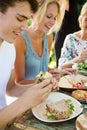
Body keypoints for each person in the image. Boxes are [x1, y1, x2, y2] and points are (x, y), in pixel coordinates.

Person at [0, 0, 58, 128]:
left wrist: (39, 86)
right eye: (20, 18)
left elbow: (10, 89)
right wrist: (24, 102)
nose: (25, 27)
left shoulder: (9, 47)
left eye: (27, 20)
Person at [14, 0, 76, 85]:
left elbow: (42, 69)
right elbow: (18, 82)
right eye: (49, 16)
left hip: (44, 92)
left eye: (55, 18)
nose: (53, 22)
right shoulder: (20, 40)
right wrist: (47, 81)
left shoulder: (49, 37)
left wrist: (59, 72)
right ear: (35, 14)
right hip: (26, 95)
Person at [58, 2, 87, 69]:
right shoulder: (71, 39)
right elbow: (61, 67)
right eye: (86, 20)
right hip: (74, 78)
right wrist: (79, 59)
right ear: (81, 19)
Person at [54, 0, 80, 67]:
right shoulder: (56, 2)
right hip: (61, 39)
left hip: (75, 41)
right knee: (62, 69)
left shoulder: (73, 2)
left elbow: (77, 22)